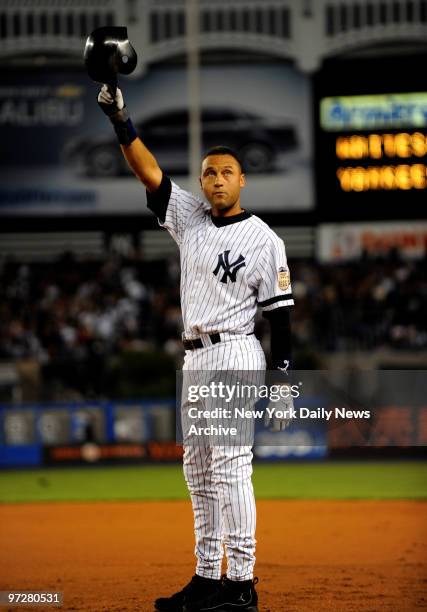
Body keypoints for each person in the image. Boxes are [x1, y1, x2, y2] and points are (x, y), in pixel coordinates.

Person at [97, 85, 294, 612]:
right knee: (199, 470)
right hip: (196, 357)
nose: (216, 179)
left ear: (242, 179)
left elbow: (282, 317)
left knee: (230, 466)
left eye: (226, 171)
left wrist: (282, 385)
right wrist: (121, 120)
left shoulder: (264, 239)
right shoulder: (189, 218)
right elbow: (149, 172)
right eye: (208, 172)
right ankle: (209, 575)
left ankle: (244, 583)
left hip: (234, 353)